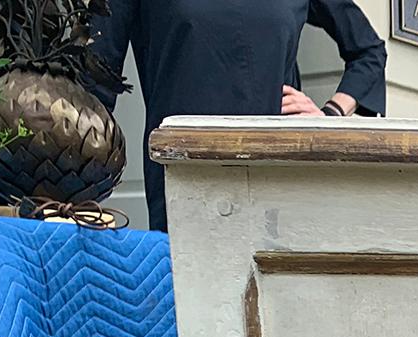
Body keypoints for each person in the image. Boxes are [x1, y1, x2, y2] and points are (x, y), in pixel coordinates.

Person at [91, 0, 386, 232]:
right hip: (186, 172)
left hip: (279, 174)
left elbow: (369, 52)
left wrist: (329, 115)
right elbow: (95, 84)